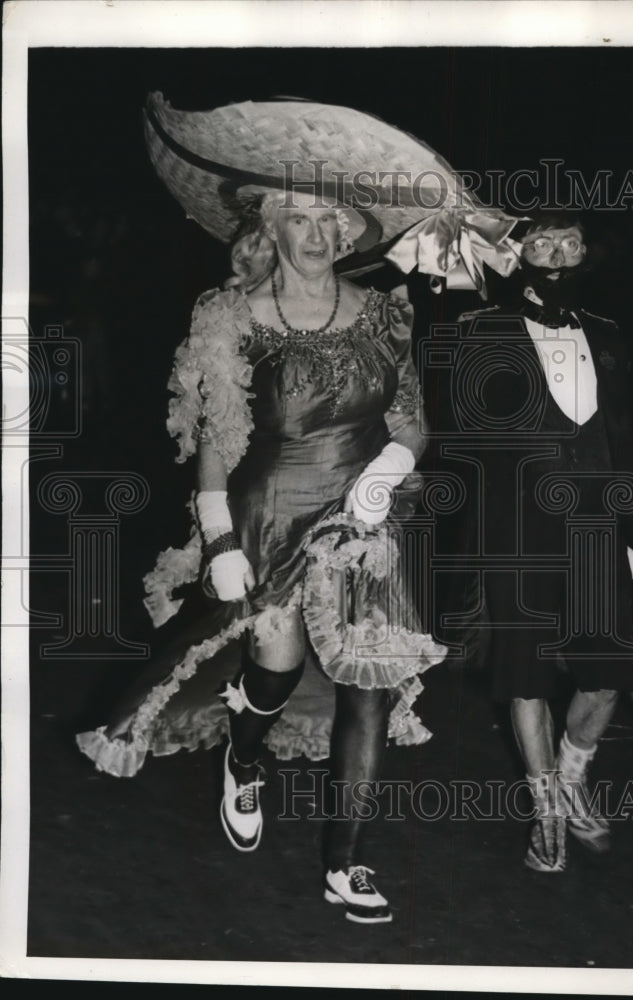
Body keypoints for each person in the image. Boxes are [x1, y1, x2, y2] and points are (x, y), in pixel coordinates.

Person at [78, 189, 446, 923]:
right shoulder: (233, 316)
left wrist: (381, 479)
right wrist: (217, 535)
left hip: (364, 518)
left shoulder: (384, 311)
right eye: (300, 219)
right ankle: (243, 758)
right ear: (269, 230)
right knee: (273, 670)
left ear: (347, 233)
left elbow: (411, 423)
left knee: (368, 689)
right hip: (270, 510)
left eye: (329, 222)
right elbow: (217, 438)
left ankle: (347, 861)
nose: (317, 235)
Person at [466, 212, 633, 872]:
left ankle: (571, 778)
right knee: (524, 675)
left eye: (571, 243)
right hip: (519, 533)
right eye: (542, 243)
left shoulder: (608, 338)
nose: (557, 255)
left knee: (609, 674)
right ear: (518, 252)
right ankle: (545, 810)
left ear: (588, 252)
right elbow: (465, 442)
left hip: (598, 529)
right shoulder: (481, 332)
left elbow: (627, 446)